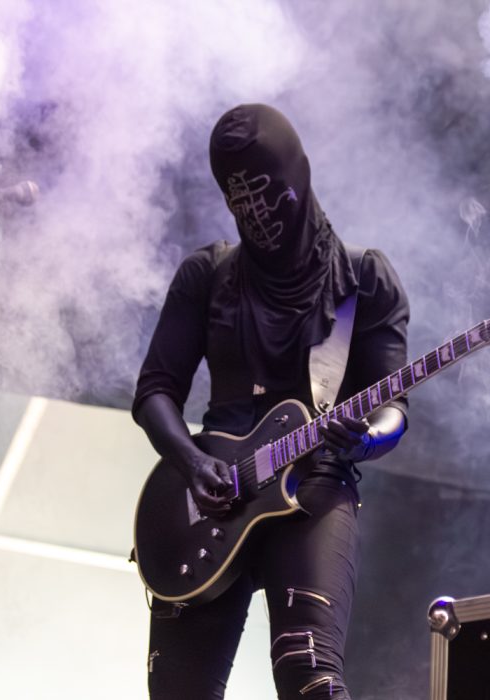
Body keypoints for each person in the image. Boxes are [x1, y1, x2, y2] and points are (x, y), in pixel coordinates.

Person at [132, 104, 409, 700]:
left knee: (310, 678)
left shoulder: (361, 278)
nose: (258, 218)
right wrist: (191, 462)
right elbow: (154, 391)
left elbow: (394, 405)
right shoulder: (207, 274)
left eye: (269, 196)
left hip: (314, 486)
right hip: (211, 496)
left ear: (300, 176)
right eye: (242, 204)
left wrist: (366, 439)